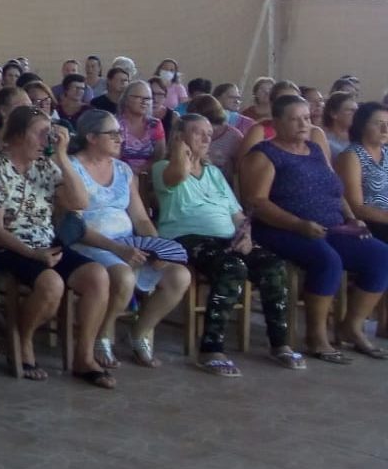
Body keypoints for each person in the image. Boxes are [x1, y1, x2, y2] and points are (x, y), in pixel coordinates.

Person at [152, 113, 304, 375]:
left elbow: (236, 214)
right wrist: (180, 151)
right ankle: (211, 349)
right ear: (180, 137)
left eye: (209, 134)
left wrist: (245, 234)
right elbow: (177, 176)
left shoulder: (213, 173)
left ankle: (280, 344)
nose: (206, 138)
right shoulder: (163, 168)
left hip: (226, 238)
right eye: (198, 132)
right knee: (232, 267)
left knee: (273, 265)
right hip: (187, 238)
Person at [0, 106, 114, 387]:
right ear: (19, 134)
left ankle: (83, 357)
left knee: (97, 276)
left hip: (45, 241)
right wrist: (32, 254)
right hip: (6, 246)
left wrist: (62, 157)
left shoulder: (45, 166)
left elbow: (79, 203)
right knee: (51, 284)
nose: (47, 140)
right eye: (41, 134)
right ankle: (23, 343)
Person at [242, 94, 388, 362]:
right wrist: (298, 224)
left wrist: (351, 217)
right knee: (327, 259)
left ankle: (351, 326)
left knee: (380, 255)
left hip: (331, 226)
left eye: (307, 118)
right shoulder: (265, 154)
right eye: (295, 119)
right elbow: (257, 202)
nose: (303, 124)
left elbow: (335, 189)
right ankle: (316, 336)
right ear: (277, 122)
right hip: (280, 228)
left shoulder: (316, 150)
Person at [66, 110, 190, 370]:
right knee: (124, 275)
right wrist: (118, 249)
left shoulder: (123, 170)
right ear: (91, 137)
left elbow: (141, 219)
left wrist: (157, 249)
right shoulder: (72, 167)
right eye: (112, 134)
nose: (119, 138)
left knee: (179, 276)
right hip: (91, 243)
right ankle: (104, 333)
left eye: (119, 133)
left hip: (127, 243)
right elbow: (74, 226)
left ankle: (140, 332)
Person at [339, 101, 388, 242]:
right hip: (371, 223)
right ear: (362, 126)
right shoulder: (351, 156)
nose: (385, 129)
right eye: (378, 123)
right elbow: (356, 207)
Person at [115, 80, 165, 181]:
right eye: (139, 97)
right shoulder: (115, 124)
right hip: (120, 175)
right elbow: (113, 157)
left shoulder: (155, 124)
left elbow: (160, 155)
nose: (144, 102)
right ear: (126, 99)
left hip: (149, 177)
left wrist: (143, 170)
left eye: (148, 99)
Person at [321, 91, 358, 159]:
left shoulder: (359, 138)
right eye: (351, 110)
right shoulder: (324, 140)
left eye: (357, 111)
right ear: (333, 114)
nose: (356, 114)